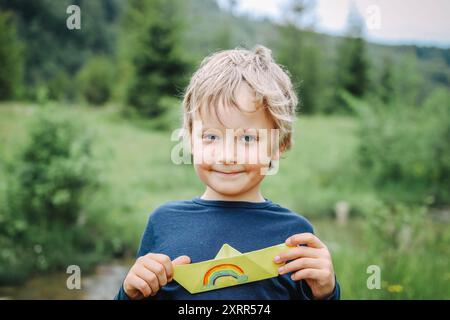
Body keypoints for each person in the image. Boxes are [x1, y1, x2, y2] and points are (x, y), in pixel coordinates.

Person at [115, 45, 340, 300]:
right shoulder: (164, 222)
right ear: (190, 140)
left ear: (278, 146)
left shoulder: (295, 235)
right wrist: (129, 293)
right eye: (211, 136)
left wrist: (326, 292)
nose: (227, 155)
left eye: (247, 138)